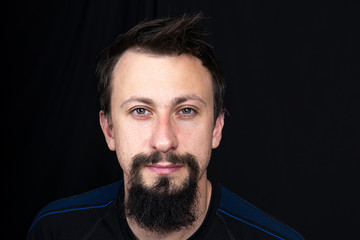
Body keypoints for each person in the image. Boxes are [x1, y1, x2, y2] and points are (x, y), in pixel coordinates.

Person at [27, 13, 304, 240]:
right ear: (109, 130)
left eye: (186, 111)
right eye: (140, 111)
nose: (163, 140)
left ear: (216, 128)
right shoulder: (55, 232)